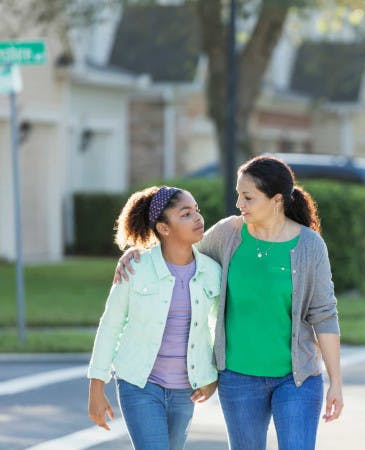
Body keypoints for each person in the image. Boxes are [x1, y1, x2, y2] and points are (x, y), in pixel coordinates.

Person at [116, 156, 343, 450]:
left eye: (248, 197)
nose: (239, 204)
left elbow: (324, 314)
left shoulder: (309, 245)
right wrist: (137, 253)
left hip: (297, 379)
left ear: (276, 200)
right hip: (239, 379)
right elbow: (180, 253)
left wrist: (335, 381)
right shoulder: (227, 234)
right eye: (239, 195)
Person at [88, 186, 221, 450]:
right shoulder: (135, 268)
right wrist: (96, 389)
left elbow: (220, 327)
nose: (197, 218)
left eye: (197, 210)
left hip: (186, 389)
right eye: (185, 214)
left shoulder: (212, 271)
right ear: (163, 228)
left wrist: (212, 377)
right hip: (139, 384)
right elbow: (110, 326)